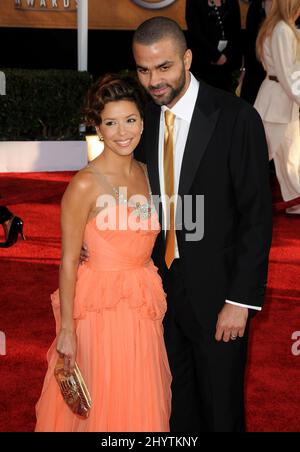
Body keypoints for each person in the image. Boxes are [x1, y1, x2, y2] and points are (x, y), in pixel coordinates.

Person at [81, 17, 273, 432]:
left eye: (164, 67)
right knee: (173, 409)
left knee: (221, 411)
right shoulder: (142, 122)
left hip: (219, 294)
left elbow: (256, 217)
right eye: (144, 69)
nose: (154, 80)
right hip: (157, 295)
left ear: (187, 58)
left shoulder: (235, 117)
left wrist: (241, 301)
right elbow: (125, 191)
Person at [35, 74, 172, 432]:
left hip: (142, 305)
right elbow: (67, 260)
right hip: (99, 309)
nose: (122, 131)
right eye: (110, 123)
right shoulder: (84, 184)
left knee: (139, 398)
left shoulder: (148, 173)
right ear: (97, 126)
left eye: (129, 120)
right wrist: (66, 329)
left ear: (143, 121)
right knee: (102, 402)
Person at [254, 0, 300, 214]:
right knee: (259, 157)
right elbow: (287, 74)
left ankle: (295, 202)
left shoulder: (281, 28)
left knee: (290, 157)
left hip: (281, 102)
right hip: (278, 102)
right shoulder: (282, 29)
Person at [185, 0, 242, 92]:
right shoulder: (193, 2)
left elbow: (236, 31)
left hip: (227, 64)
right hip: (203, 64)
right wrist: (216, 56)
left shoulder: (231, 2)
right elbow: (195, 33)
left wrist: (226, 57)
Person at [240, 0, 273, 105]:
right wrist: (244, 69)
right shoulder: (255, 7)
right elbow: (249, 43)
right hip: (255, 71)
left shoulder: (285, 8)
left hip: (276, 76)